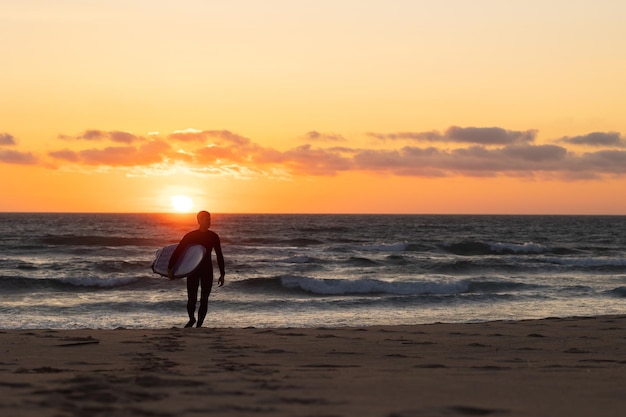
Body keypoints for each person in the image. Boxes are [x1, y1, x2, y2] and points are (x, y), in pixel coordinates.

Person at [168, 210, 225, 328]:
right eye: (206, 219)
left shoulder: (213, 236)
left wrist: (222, 273)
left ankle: (199, 324)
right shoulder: (191, 236)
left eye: (210, 219)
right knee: (191, 298)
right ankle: (192, 319)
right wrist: (170, 268)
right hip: (193, 270)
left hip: (207, 271)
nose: (209, 221)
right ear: (199, 220)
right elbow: (178, 251)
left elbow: (219, 255)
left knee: (204, 298)